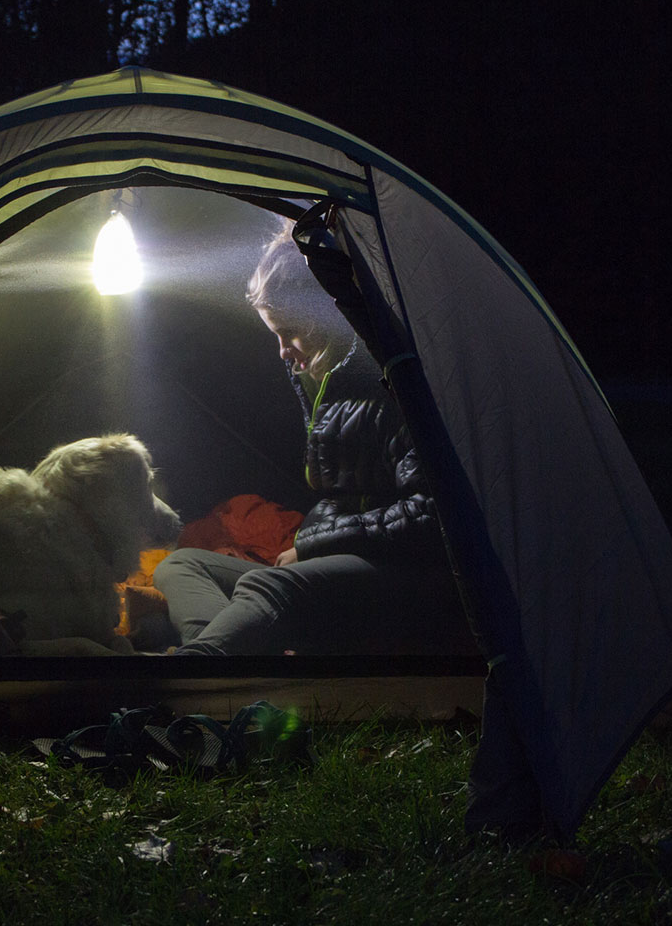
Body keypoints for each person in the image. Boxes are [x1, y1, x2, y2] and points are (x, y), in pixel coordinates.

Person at [156, 222, 472, 656]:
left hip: (414, 579)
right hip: (347, 559)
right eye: (276, 335)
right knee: (183, 564)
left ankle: (192, 674)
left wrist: (314, 544)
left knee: (267, 584)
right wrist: (312, 541)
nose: (283, 350)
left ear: (327, 315)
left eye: (289, 331)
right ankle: (233, 672)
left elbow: (432, 515)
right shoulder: (327, 385)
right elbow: (347, 501)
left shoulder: (393, 385)